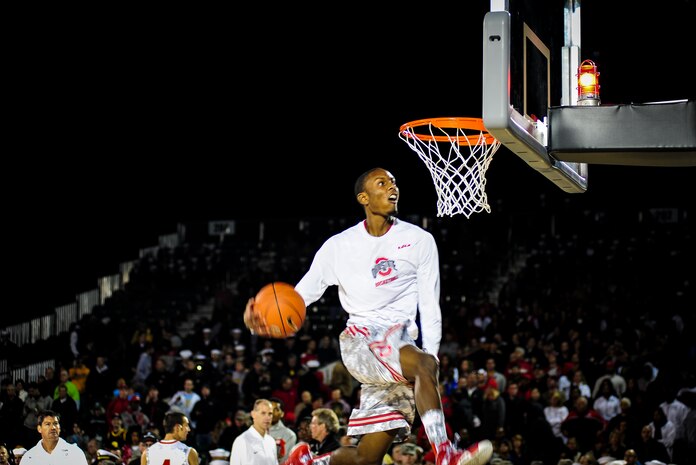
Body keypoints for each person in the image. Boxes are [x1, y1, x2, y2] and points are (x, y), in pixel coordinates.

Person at [245, 168, 493, 465]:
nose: (392, 187)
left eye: (394, 182)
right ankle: (445, 453)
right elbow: (300, 296)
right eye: (382, 182)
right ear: (364, 197)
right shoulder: (338, 246)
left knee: (367, 458)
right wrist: (263, 321)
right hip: (361, 341)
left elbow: (430, 304)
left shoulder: (419, 240)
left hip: (401, 346)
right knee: (423, 364)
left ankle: (310, 461)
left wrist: (432, 356)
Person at [20, 410, 89, 464]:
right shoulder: (29, 457)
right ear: (39, 429)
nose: (53, 427)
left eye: (55, 423)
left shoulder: (75, 453)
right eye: (48, 424)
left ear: (59, 428)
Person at [230, 398, 278, 465]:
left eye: (270, 414)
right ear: (253, 414)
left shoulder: (271, 441)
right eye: (263, 413)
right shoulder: (242, 441)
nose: (267, 417)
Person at [268, 397, 297, 463]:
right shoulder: (256, 430)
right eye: (269, 409)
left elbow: (284, 460)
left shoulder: (289, 435)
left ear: (282, 414)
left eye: (276, 409)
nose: (271, 412)